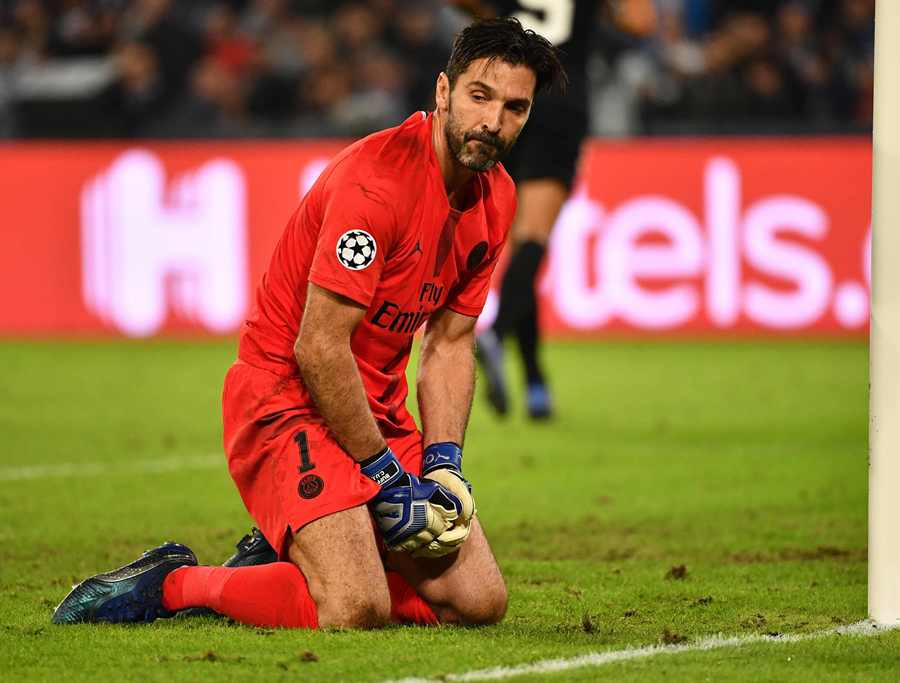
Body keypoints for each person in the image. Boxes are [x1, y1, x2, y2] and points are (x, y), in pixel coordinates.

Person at [52, 17, 566, 630]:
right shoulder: (377, 186)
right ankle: (176, 583)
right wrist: (383, 476)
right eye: (479, 97)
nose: (493, 122)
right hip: (285, 401)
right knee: (355, 607)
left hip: (372, 409)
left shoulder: (497, 196)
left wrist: (444, 463)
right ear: (442, 93)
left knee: (480, 602)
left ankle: (294, 562)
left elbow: (451, 342)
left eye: (515, 107)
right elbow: (318, 347)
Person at [455, 0, 655, 419]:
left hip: (506, 99)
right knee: (533, 237)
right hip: (561, 99)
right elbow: (641, 21)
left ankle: (533, 379)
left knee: (517, 246)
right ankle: (499, 335)